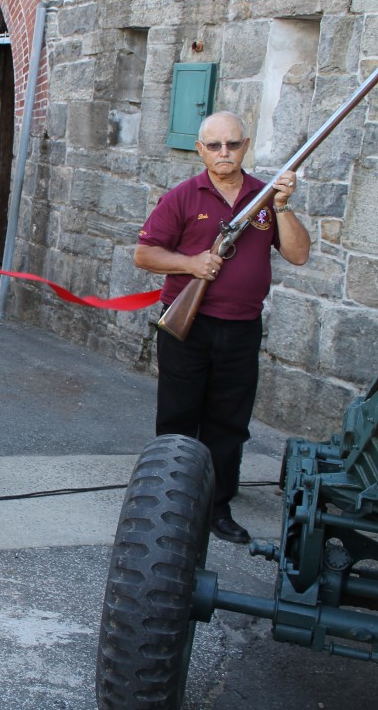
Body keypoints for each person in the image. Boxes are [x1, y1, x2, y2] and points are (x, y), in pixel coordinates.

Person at [135, 110, 310, 544]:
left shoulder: (264, 197)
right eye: (214, 146)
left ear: (244, 146)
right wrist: (191, 263)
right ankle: (167, 501)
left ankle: (217, 507)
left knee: (229, 423)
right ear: (201, 150)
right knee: (178, 416)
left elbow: (299, 254)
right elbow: (145, 254)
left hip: (241, 329)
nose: (224, 153)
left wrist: (283, 206)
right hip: (187, 326)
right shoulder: (182, 197)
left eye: (232, 144)